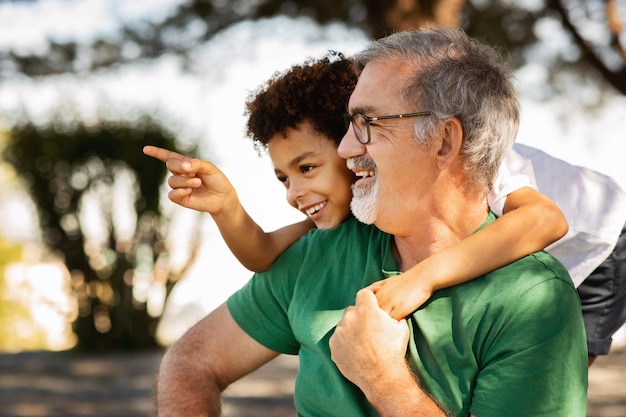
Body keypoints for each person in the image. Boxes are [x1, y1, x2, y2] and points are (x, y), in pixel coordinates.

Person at [152, 28, 587, 417]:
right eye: (347, 123)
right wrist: (227, 208)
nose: (344, 148)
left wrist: (384, 381)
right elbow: (191, 363)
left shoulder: (533, 296)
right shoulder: (322, 249)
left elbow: (545, 219)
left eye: (366, 123)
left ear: (444, 140)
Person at [143, 53, 566, 320]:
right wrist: (225, 206)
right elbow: (264, 253)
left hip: (601, 245)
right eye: (284, 179)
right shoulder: (355, 212)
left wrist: (424, 278)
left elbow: (546, 220)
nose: (294, 193)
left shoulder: (478, 164)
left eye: (308, 168)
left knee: (539, 346)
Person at [490, 143, 626, 365]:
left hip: (609, 233)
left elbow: (546, 219)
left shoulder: (486, 155)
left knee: (568, 365)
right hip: (568, 238)